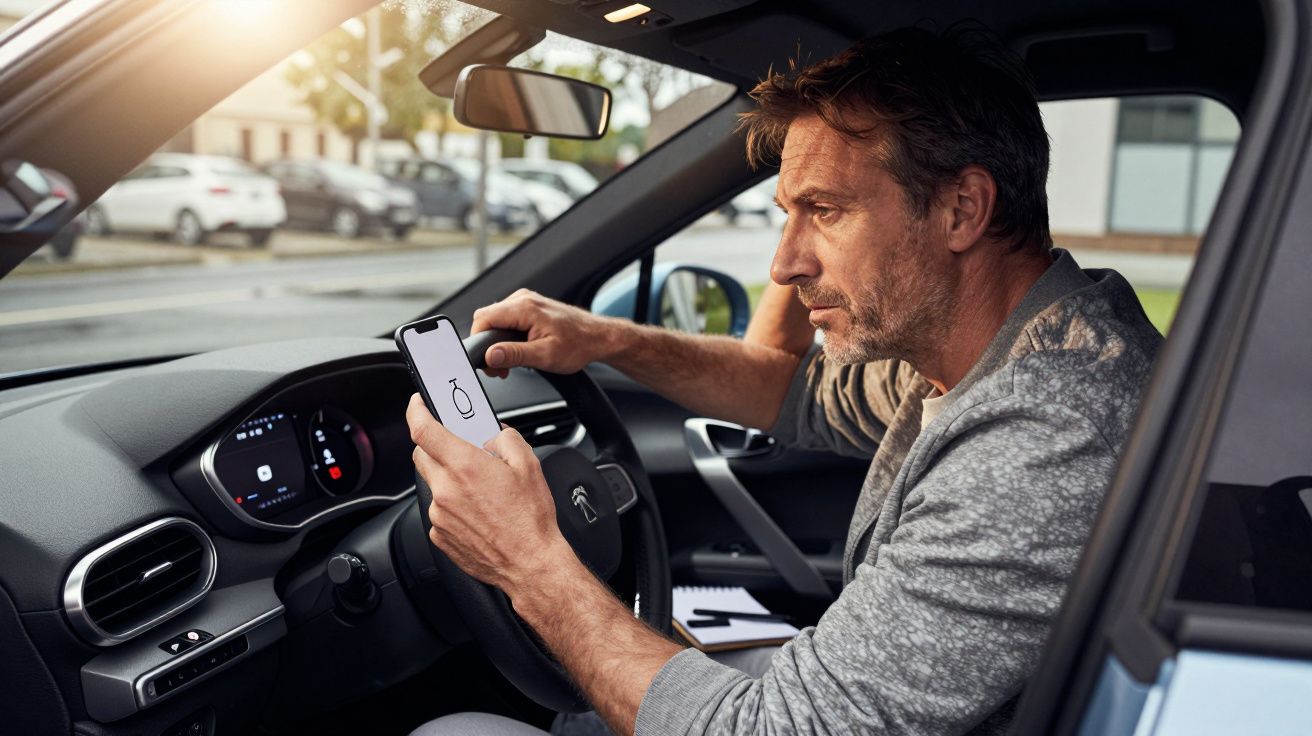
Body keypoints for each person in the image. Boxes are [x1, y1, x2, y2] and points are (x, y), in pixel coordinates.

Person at [406, 26, 1162, 736]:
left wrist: (529, 562)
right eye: (784, 215)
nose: (784, 263)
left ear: (962, 209)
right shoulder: (989, 346)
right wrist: (601, 338)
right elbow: (790, 391)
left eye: (824, 211)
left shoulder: (1043, 433)